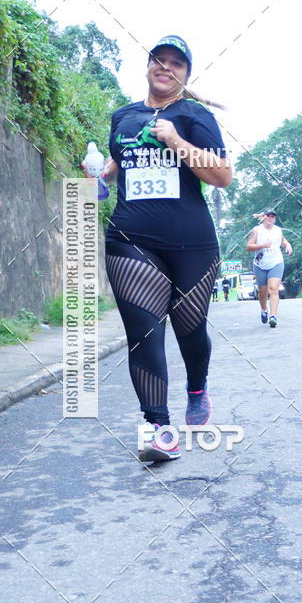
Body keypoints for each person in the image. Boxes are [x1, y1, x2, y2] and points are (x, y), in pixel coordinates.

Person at [84, 35, 232, 462]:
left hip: (192, 243)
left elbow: (222, 176)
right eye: (158, 60)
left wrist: (176, 141)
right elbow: (120, 164)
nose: (165, 67)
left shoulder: (194, 115)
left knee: (190, 330)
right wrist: (100, 176)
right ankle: (158, 428)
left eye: (176, 63)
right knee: (144, 333)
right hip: (131, 240)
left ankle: (197, 388)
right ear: (147, 66)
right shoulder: (123, 116)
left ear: (186, 74)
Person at [246, 210, 292, 327]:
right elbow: (249, 246)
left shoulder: (278, 230)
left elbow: (282, 240)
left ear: (275, 219)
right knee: (263, 292)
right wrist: (263, 245)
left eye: (273, 216)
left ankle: (273, 316)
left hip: (276, 262)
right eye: (268, 216)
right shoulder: (257, 230)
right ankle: (264, 310)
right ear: (263, 218)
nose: (270, 218)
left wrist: (288, 245)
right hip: (260, 264)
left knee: (273, 288)